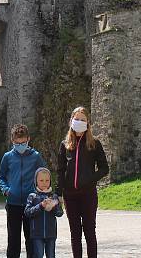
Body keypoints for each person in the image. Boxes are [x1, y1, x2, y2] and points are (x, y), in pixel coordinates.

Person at [57, 106, 109, 258]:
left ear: (88, 123)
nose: (79, 122)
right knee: (75, 233)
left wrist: (88, 180)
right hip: (70, 196)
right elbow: (60, 170)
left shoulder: (94, 144)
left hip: (88, 195)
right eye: (76, 119)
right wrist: (58, 193)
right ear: (71, 121)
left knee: (89, 232)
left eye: (82, 120)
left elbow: (104, 168)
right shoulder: (64, 144)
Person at [0, 123, 46, 258]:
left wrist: (40, 195)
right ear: (12, 141)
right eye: (17, 143)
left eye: (23, 142)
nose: (20, 145)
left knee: (31, 240)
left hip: (31, 205)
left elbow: (43, 175)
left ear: (28, 139)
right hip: (13, 204)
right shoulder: (7, 157)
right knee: (13, 241)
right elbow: (1, 176)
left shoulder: (36, 156)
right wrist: (6, 189)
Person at [25, 167, 64, 258]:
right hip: (37, 234)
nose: (44, 183)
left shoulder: (53, 196)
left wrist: (54, 207)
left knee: (51, 255)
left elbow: (60, 213)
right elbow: (27, 212)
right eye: (41, 180)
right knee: (38, 255)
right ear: (36, 181)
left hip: (51, 233)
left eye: (47, 180)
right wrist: (40, 206)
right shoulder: (32, 196)